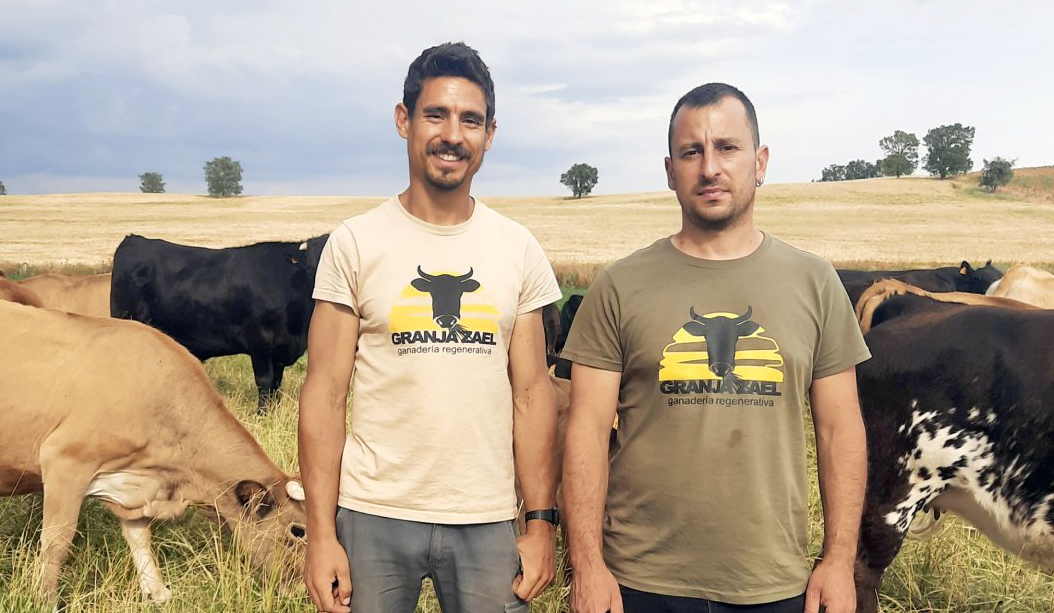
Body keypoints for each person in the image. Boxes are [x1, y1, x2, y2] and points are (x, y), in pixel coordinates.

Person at [560, 83, 870, 613]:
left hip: (772, 581)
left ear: (760, 160)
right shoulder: (618, 286)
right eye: (691, 151)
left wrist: (838, 562)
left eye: (727, 148)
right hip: (639, 580)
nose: (710, 168)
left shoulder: (815, 283)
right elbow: (585, 429)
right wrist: (588, 566)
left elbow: (841, 428)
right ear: (669, 170)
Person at [299, 41, 562, 613]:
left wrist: (540, 523)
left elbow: (534, 393)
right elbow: (323, 393)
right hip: (372, 513)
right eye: (435, 114)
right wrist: (322, 536)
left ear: (490, 134)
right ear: (404, 121)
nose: (453, 134)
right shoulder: (354, 243)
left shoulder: (517, 249)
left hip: (487, 516)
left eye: (471, 119)